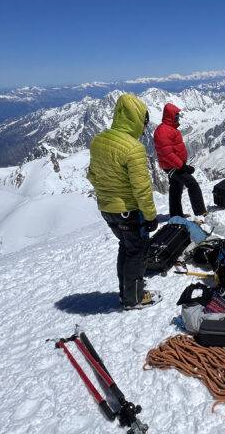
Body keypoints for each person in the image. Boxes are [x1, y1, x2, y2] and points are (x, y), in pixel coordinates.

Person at [87, 93, 160, 309]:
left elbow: (92, 174)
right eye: (144, 122)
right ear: (136, 119)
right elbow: (142, 189)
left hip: (107, 208)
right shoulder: (133, 148)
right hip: (128, 210)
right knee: (137, 252)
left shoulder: (99, 140)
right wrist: (150, 216)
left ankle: (126, 293)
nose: (145, 128)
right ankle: (134, 298)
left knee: (127, 248)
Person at [153, 103, 207, 220]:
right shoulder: (163, 131)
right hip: (172, 166)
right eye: (176, 116)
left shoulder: (169, 129)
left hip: (175, 165)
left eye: (178, 116)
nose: (178, 118)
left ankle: (176, 214)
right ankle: (200, 212)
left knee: (176, 188)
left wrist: (182, 165)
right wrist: (183, 166)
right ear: (170, 116)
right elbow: (168, 154)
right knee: (192, 184)